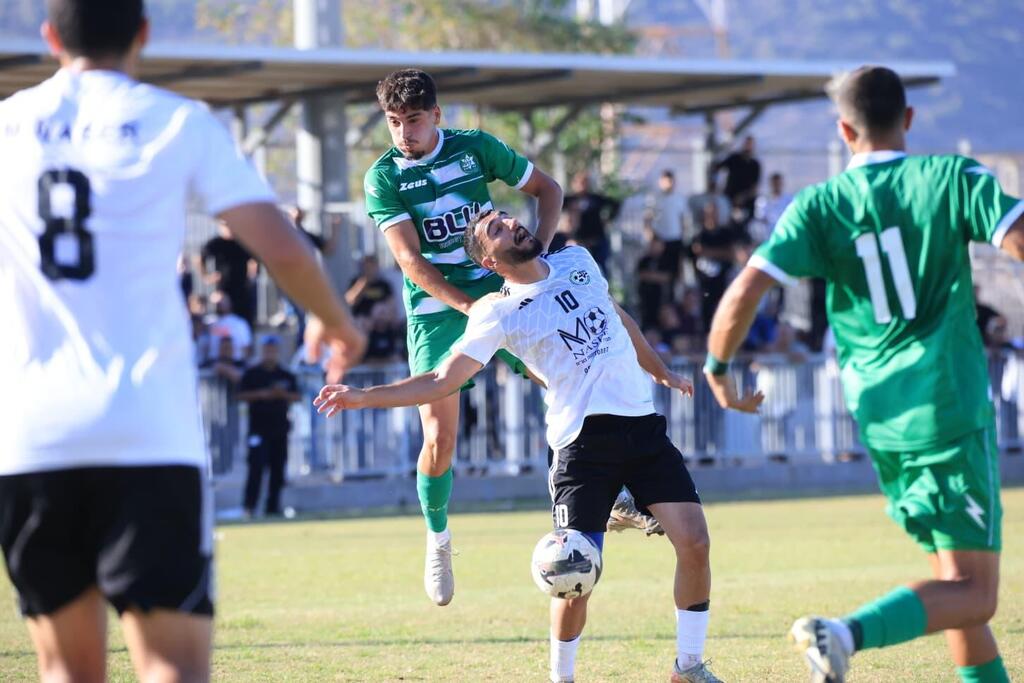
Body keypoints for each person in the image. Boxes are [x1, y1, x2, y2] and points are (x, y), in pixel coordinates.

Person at [0, 2, 365, 681]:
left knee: (64, 672)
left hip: (32, 434)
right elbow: (282, 247)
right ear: (143, 33)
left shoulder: (7, 126)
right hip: (148, 431)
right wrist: (336, 322)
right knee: (172, 665)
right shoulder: (176, 119)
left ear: (49, 37)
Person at [703, 65, 1024, 683]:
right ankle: (843, 634)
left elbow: (746, 288)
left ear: (845, 130)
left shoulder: (817, 205)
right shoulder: (951, 177)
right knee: (976, 593)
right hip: (948, 407)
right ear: (907, 119)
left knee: (955, 585)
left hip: (879, 418)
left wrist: (719, 368)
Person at [316, 209, 723, 683]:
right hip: (582, 449)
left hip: (643, 429)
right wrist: (365, 397)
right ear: (489, 262)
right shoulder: (498, 312)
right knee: (574, 575)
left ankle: (688, 667)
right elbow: (442, 378)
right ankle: (561, 677)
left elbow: (619, 318)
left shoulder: (578, 259)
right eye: (496, 229)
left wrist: (659, 370)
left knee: (695, 541)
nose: (511, 224)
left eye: (507, 217)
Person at [363, 68, 563, 606]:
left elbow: (549, 190)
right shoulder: (383, 177)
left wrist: (533, 257)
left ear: (437, 115)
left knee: (566, 378)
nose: (404, 132)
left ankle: (604, 489)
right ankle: (438, 538)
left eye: (413, 120)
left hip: (499, 291)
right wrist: (473, 309)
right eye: (393, 121)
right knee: (439, 437)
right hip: (438, 309)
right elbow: (409, 262)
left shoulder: (475, 147)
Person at [237, 336, 301, 518]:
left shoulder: (285, 374)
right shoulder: (253, 374)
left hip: (280, 430)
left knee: (278, 470)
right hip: (258, 429)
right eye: (267, 349)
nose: (270, 353)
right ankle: (249, 507)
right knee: (256, 468)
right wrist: (263, 394)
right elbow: (240, 395)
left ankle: (273, 507)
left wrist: (283, 394)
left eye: (273, 350)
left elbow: (298, 396)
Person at [199, 220, 258, 326]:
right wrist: (206, 276)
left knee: (245, 322)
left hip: (242, 290)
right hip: (224, 292)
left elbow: (253, 259)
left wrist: (252, 274)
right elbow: (199, 258)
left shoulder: (242, 242)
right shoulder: (216, 243)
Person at [562, 170, 621, 273]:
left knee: (601, 269)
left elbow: (615, 204)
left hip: (597, 239)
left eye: (585, 182)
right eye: (580, 183)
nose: (582, 186)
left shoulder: (595, 198)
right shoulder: (569, 200)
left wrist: (608, 219)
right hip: (578, 241)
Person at [645, 169, 688, 285]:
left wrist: (683, 239)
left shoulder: (680, 199)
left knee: (676, 273)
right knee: (661, 272)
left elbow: (683, 221)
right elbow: (648, 219)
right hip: (660, 241)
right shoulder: (655, 199)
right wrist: (651, 239)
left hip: (675, 240)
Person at [713, 135, 761, 221]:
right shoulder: (734, 159)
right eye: (747, 144)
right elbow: (717, 167)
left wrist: (743, 197)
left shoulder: (755, 165)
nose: (748, 147)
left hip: (746, 203)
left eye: (750, 145)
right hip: (729, 199)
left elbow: (755, 187)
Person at [206, 289, 253, 361]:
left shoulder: (240, 323)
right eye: (218, 302)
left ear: (230, 303)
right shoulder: (211, 323)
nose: (220, 304)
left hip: (235, 362)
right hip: (214, 363)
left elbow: (247, 347)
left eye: (223, 301)